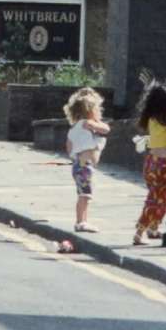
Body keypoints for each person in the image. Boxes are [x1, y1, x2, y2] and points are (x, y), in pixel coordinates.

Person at [132, 80, 166, 246]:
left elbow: (161, 94)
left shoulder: (152, 118)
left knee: (158, 197)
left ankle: (153, 229)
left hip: (151, 162)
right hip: (165, 164)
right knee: (159, 200)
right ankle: (139, 232)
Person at [64, 86, 110, 233]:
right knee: (85, 195)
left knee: (84, 194)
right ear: (90, 111)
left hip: (78, 164)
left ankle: (82, 221)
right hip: (85, 166)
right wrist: (97, 122)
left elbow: (69, 149)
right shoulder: (87, 123)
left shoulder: (73, 129)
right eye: (97, 109)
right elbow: (106, 129)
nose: (99, 112)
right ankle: (81, 222)